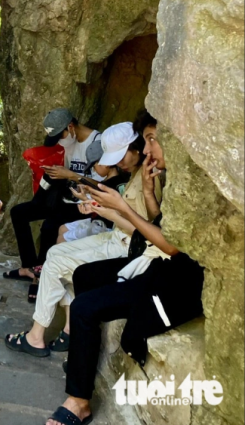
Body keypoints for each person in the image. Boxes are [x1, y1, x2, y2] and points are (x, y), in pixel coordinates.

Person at [45, 113, 203, 425]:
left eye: (153, 140)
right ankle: (85, 351)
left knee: (84, 306)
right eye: (145, 141)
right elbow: (161, 227)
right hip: (155, 260)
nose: (147, 150)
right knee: (83, 275)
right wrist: (146, 193)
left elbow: (172, 246)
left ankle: (79, 402)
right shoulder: (162, 177)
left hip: (172, 280)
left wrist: (123, 207)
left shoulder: (194, 184)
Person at [5, 119, 159, 357]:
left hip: (126, 245)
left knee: (56, 258)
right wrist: (98, 204)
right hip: (116, 236)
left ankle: (37, 336)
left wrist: (107, 211)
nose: (117, 163)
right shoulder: (138, 173)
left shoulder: (151, 176)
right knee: (54, 252)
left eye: (121, 156)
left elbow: (144, 229)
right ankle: (64, 328)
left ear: (136, 148)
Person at [4, 109, 105, 285]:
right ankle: (29, 267)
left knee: (50, 226)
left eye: (60, 136)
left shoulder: (98, 143)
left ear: (71, 127)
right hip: (63, 197)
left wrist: (71, 175)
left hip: (84, 204)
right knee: (18, 212)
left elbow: (103, 186)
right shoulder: (68, 144)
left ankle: (42, 274)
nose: (59, 141)